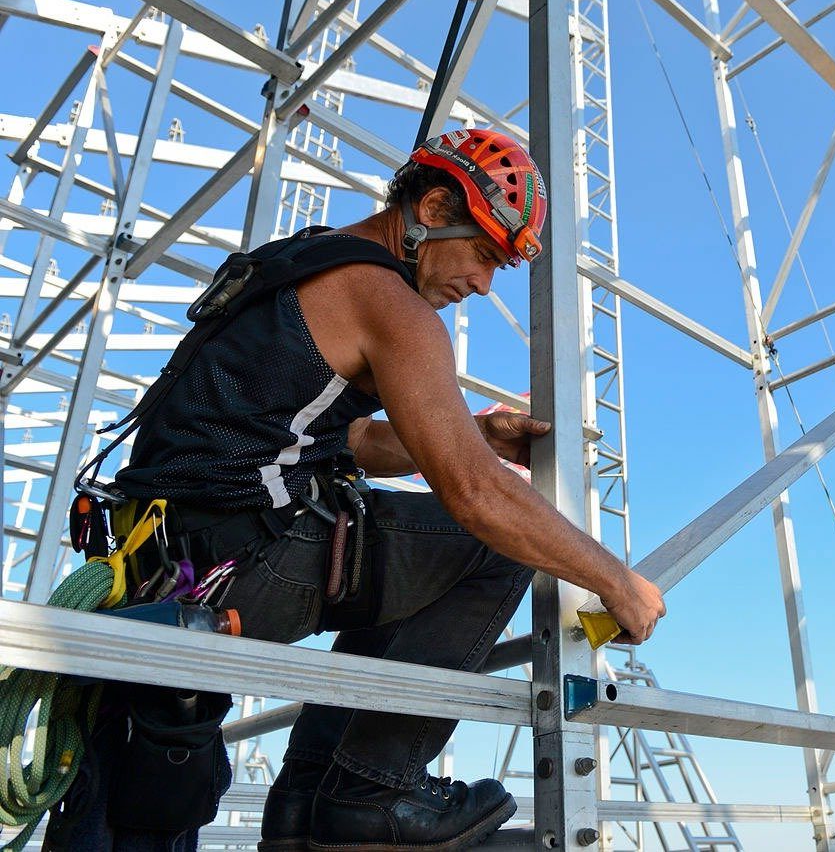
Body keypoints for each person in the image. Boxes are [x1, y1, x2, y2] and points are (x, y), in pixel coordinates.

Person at [110, 128, 666, 851]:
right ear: (434, 207)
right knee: (491, 546)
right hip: (246, 563)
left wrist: (471, 428)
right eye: (485, 254)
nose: (484, 284)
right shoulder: (394, 306)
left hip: (163, 557)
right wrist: (615, 580)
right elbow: (477, 496)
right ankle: (372, 787)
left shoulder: (302, 262)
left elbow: (344, 442)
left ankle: (308, 801)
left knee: (396, 545)